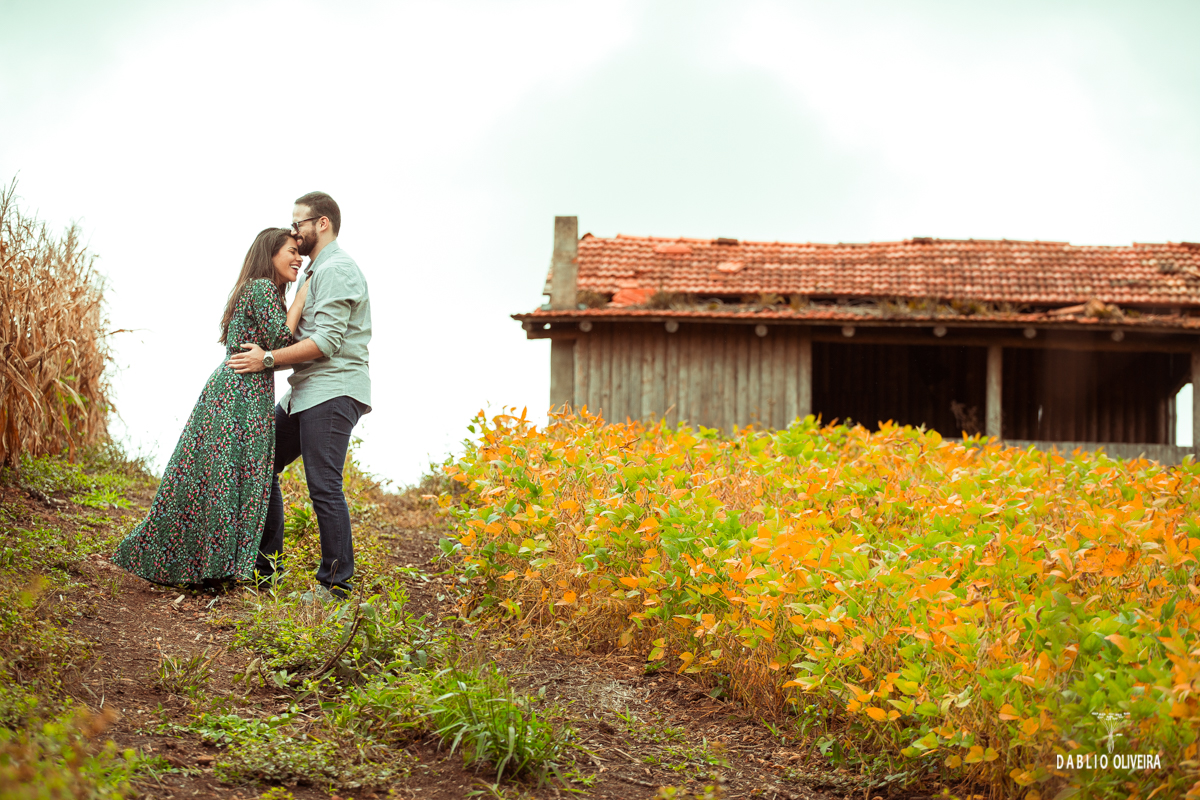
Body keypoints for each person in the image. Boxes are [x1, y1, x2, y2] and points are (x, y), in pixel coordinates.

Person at [113, 229, 309, 588]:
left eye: (300, 253)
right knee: (231, 478)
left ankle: (215, 566)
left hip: (238, 391)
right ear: (270, 254)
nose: (299, 259)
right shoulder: (262, 288)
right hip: (239, 395)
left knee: (222, 477)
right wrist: (301, 299)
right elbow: (281, 340)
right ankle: (221, 568)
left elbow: (272, 351)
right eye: (292, 251)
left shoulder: (255, 289)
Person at [226, 191, 371, 599]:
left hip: (332, 389)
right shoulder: (312, 272)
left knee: (324, 484)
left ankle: (336, 585)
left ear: (322, 223)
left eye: (298, 223)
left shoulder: (336, 269)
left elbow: (325, 342)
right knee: (264, 462)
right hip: (305, 392)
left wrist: (267, 359)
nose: (294, 231)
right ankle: (265, 570)